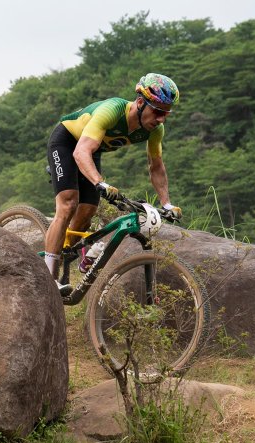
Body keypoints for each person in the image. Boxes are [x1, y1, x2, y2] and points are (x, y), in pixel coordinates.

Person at [43, 73, 182, 294]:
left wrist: (166, 204)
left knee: (87, 212)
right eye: (157, 111)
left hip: (93, 149)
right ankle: (47, 278)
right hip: (69, 142)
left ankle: (70, 254)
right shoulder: (112, 110)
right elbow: (80, 152)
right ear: (139, 102)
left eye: (165, 113)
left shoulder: (155, 129)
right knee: (69, 203)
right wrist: (100, 183)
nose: (161, 119)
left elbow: (156, 166)